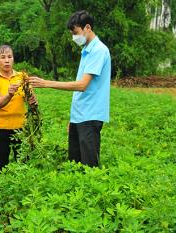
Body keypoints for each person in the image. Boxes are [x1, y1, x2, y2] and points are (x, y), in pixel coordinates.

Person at [29, 10, 111, 167]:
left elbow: (82, 85)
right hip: (80, 116)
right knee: (74, 164)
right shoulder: (86, 51)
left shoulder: (98, 51)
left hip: (90, 116)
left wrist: (47, 83)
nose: (74, 37)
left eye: (76, 32)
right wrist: (73, 119)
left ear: (87, 27)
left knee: (89, 166)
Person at [0, 45, 37, 172]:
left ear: (13, 59)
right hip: (0, 128)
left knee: (23, 163)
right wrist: (9, 94)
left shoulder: (22, 77)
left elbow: (31, 100)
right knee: (1, 165)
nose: (7, 60)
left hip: (21, 127)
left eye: (10, 56)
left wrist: (33, 102)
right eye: (2, 57)